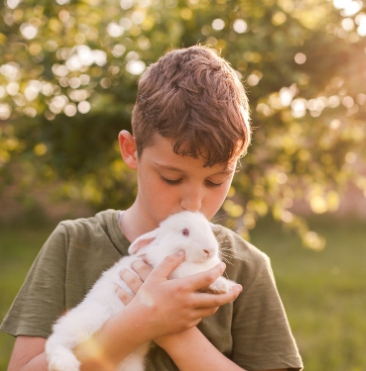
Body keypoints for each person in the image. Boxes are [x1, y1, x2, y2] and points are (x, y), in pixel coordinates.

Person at [2, 45, 303, 371]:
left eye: (215, 181)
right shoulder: (71, 244)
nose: (194, 203)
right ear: (131, 151)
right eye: (172, 178)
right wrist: (135, 325)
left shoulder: (246, 268)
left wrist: (176, 333)